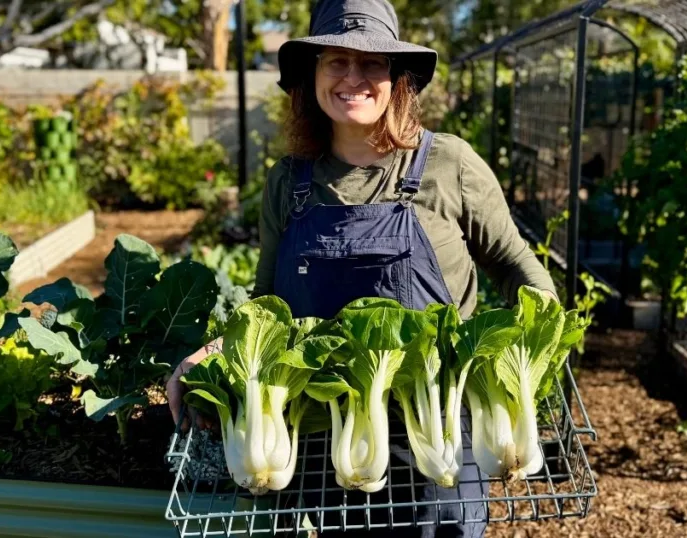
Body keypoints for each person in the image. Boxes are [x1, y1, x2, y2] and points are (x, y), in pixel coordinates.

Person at [166, 0, 558, 536]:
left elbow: (514, 263)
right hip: (320, 436)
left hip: (436, 432)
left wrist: (538, 338)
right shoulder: (289, 182)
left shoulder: (448, 164)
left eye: (372, 63)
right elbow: (267, 308)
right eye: (336, 61)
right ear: (313, 75)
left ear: (398, 79)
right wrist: (209, 354)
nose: (353, 77)